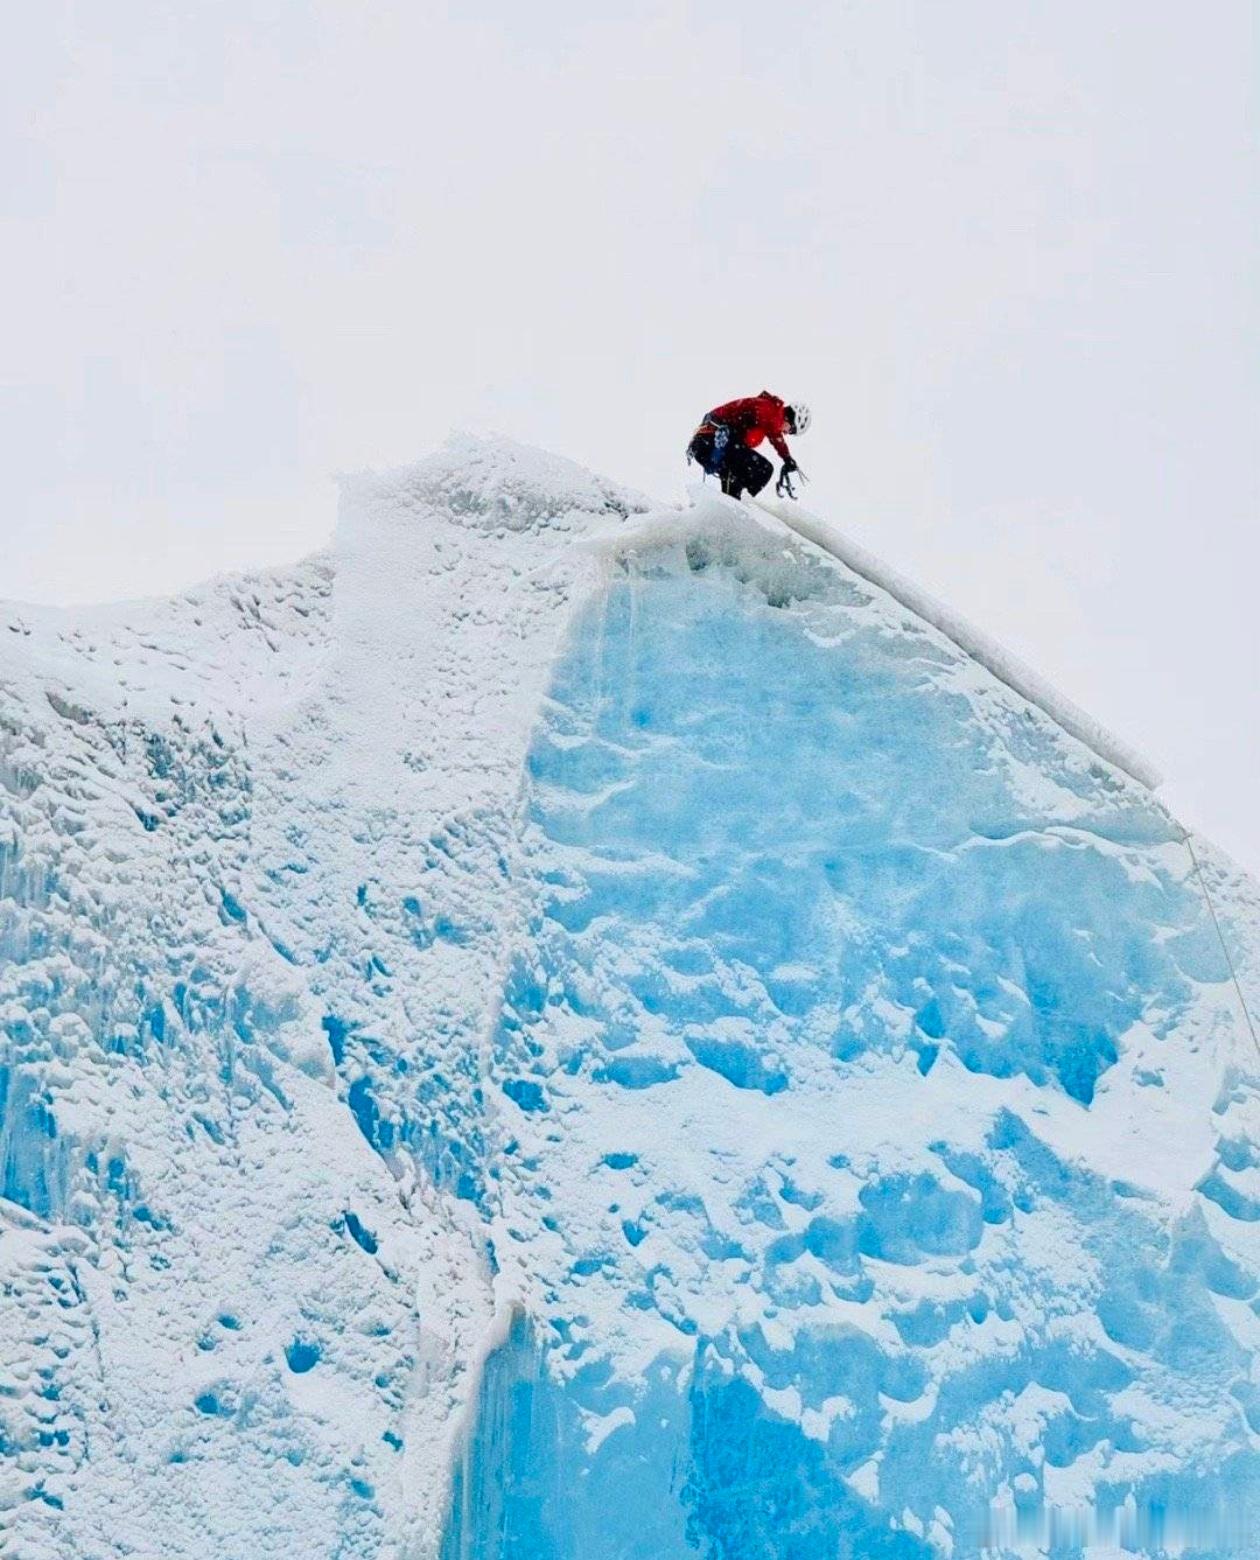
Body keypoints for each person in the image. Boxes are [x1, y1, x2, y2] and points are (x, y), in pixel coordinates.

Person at [686, 391, 811, 500]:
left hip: (708, 444)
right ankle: (734, 504)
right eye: (791, 431)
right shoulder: (770, 410)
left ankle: (731, 503)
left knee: (743, 470)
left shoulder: (766, 415)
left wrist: (787, 458)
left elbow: (773, 432)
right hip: (710, 439)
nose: (786, 433)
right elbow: (775, 435)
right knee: (763, 469)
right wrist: (787, 458)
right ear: (792, 420)